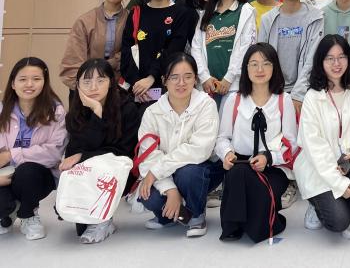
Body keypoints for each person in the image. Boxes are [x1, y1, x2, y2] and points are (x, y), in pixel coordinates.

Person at [294, 35, 350, 239]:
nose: (336, 63)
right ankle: (317, 206)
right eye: (330, 58)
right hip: (319, 169)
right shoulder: (312, 97)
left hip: (347, 164)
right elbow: (315, 150)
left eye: (341, 57)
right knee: (339, 222)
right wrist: (339, 184)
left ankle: (347, 209)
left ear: (349, 59)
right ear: (320, 62)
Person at [216, 44, 298, 242]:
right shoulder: (234, 100)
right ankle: (238, 225)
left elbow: (292, 144)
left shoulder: (284, 100)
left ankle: (248, 223)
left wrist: (269, 158)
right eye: (254, 64)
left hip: (273, 167)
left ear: (274, 67)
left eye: (266, 63)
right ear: (246, 68)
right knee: (239, 173)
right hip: (241, 163)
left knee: (252, 187)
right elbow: (222, 138)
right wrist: (227, 153)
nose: (260, 69)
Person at [137, 54, 223, 237]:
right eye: (174, 77)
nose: (181, 83)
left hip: (202, 170)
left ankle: (196, 215)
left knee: (188, 173)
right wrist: (170, 190)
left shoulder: (206, 105)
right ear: (164, 80)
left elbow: (200, 149)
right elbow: (148, 156)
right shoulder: (152, 112)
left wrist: (157, 171)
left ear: (196, 79)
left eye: (188, 76)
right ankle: (170, 215)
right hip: (167, 174)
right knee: (147, 194)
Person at [60, 59, 142, 243]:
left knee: (102, 166)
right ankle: (96, 217)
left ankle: (104, 220)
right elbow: (76, 150)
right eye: (87, 81)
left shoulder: (127, 108)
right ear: (77, 85)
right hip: (87, 170)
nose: (93, 87)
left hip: (120, 171)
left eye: (100, 80)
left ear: (111, 82)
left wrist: (83, 155)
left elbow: (123, 152)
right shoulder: (75, 112)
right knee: (77, 222)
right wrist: (96, 111)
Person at [0, 57, 66, 241]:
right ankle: (9, 211)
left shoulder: (56, 112)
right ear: (13, 84)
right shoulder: (2, 111)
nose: (29, 84)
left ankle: (29, 214)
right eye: (22, 79)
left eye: (36, 79)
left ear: (44, 82)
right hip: (3, 174)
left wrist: (11, 154)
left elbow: (54, 153)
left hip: (38, 175)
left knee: (27, 172)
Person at [120, 0, 195, 102]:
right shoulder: (136, 13)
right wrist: (137, 82)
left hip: (165, 84)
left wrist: (151, 78)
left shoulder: (181, 13)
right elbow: (126, 50)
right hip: (136, 87)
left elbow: (173, 49)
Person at [258, 0, 324, 111]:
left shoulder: (315, 17)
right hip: (273, 90)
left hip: (306, 91)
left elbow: (312, 57)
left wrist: (298, 94)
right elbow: (261, 56)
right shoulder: (268, 19)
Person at [191, 0, 256, 104]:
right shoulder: (206, 13)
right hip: (207, 86)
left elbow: (247, 47)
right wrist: (204, 77)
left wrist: (229, 78)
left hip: (233, 86)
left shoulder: (245, 11)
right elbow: (196, 47)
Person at [60, 0, 131, 91]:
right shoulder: (85, 21)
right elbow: (72, 61)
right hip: (86, 87)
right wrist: (86, 88)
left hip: (119, 88)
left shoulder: (132, 19)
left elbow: (133, 53)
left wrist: (113, 63)